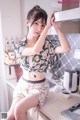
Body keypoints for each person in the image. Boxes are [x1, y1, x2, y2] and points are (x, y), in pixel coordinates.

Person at [7, 5, 70, 120]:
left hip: (39, 88)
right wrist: (47, 27)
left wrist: (55, 27)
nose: (39, 28)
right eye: (36, 23)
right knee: (9, 116)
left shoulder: (47, 45)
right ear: (27, 22)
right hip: (23, 85)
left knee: (19, 109)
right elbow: (35, 50)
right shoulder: (19, 45)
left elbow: (66, 48)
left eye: (43, 25)